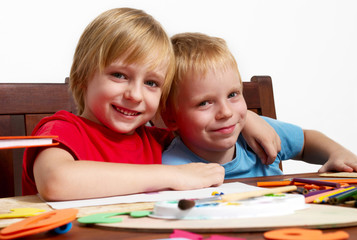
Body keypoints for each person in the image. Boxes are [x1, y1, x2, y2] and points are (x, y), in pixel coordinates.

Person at [21, 8, 279, 201]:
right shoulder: (62, 131)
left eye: (152, 83)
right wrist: (175, 176)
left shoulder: (157, 140)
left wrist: (248, 121)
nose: (135, 95)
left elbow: (202, 122)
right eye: (119, 75)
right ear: (82, 76)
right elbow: (57, 182)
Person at [161, 32, 357, 179]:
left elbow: (306, 141)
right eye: (204, 103)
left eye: (233, 94)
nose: (226, 112)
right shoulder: (173, 169)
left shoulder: (259, 134)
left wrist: (338, 153)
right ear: (171, 117)